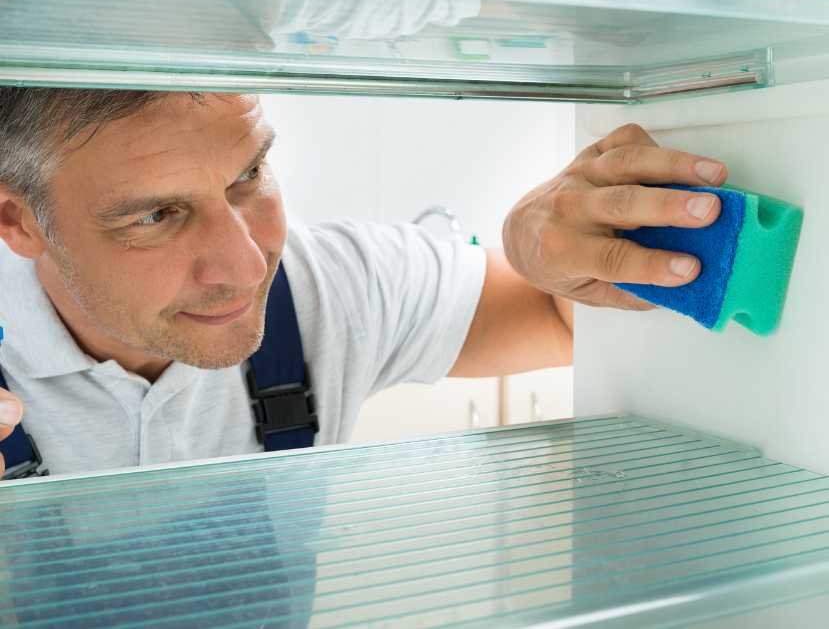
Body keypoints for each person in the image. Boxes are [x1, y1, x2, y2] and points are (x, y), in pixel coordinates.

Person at [0, 88, 726, 478]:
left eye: (248, 175)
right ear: (18, 221)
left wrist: (551, 247)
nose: (248, 267)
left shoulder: (336, 285)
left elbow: (561, 321)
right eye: (156, 216)